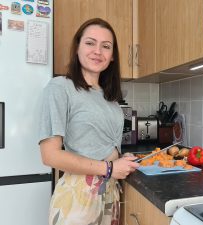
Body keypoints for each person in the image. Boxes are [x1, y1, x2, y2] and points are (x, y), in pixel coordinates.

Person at [38, 18, 140, 225]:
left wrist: (121, 157)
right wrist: (110, 168)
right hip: (79, 197)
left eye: (106, 46)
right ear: (77, 47)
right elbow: (49, 156)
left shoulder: (109, 97)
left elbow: (99, 143)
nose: (98, 51)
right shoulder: (60, 87)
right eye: (90, 43)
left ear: (112, 57)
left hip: (110, 194)